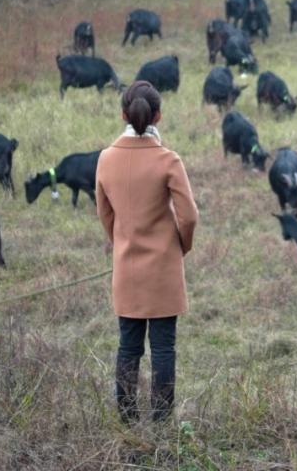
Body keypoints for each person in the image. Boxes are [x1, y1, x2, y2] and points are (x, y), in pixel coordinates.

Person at [95, 81, 198, 423]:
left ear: (123, 114)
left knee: (128, 347)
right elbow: (189, 216)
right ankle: (162, 421)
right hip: (163, 271)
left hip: (126, 268)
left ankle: (127, 418)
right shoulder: (168, 159)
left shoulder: (106, 159)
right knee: (164, 348)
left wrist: (122, 240)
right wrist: (180, 246)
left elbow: (105, 214)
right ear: (158, 116)